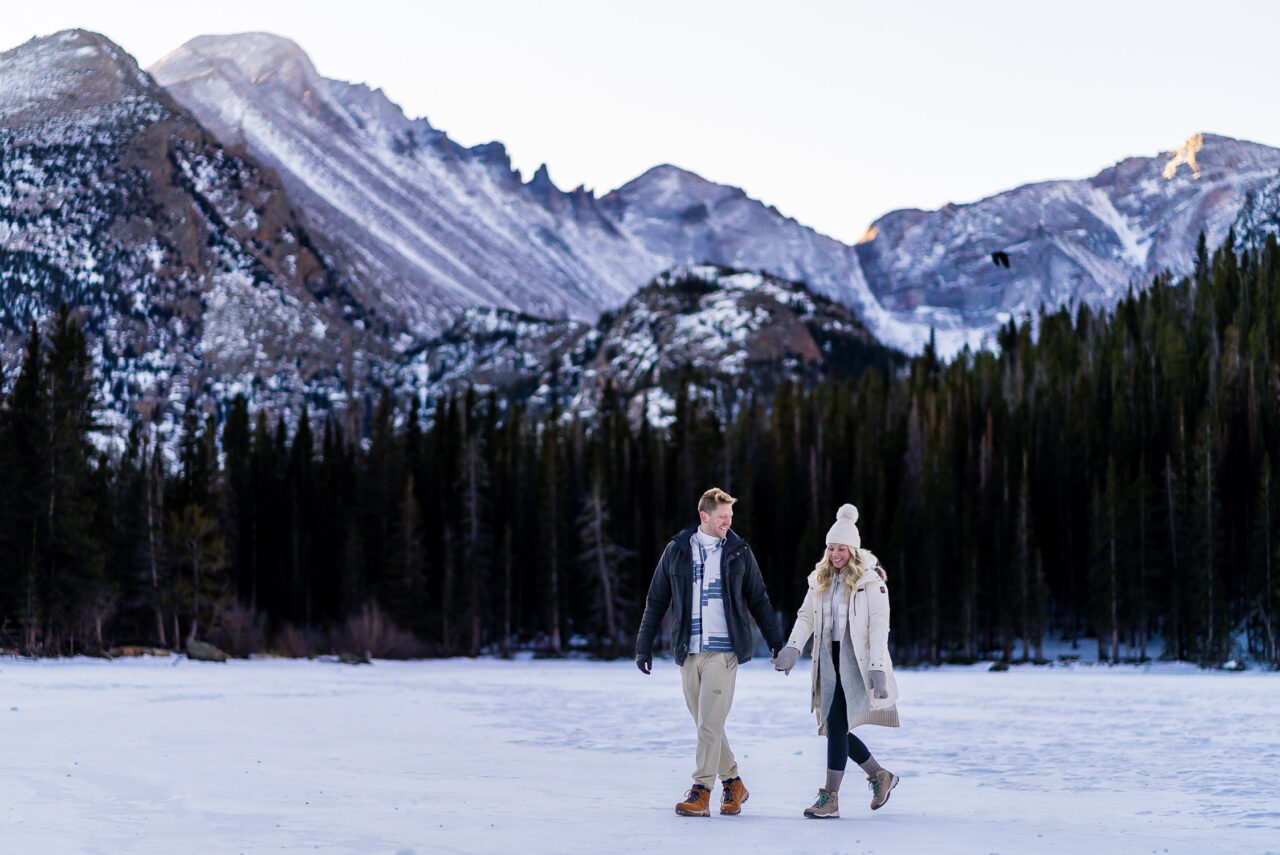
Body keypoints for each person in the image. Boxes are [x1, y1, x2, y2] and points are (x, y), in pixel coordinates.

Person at [635, 487, 785, 817]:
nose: (728, 523)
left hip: (724, 651)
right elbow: (657, 600)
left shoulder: (738, 551)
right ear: (705, 516)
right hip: (689, 649)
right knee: (707, 723)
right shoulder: (676, 550)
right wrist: (643, 646)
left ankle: (701, 790)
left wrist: (776, 642)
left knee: (708, 726)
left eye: (730, 517)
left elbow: (758, 597)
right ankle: (734, 782)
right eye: (722, 517)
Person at [771, 503, 900, 819]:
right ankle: (879, 775)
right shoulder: (819, 579)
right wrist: (793, 648)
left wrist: (878, 669)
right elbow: (806, 616)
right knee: (833, 729)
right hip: (827, 662)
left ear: (853, 550)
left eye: (841, 548)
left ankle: (830, 797)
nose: (835, 554)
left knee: (837, 725)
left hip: (856, 663)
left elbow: (878, 628)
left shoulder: (871, 583)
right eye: (831, 548)